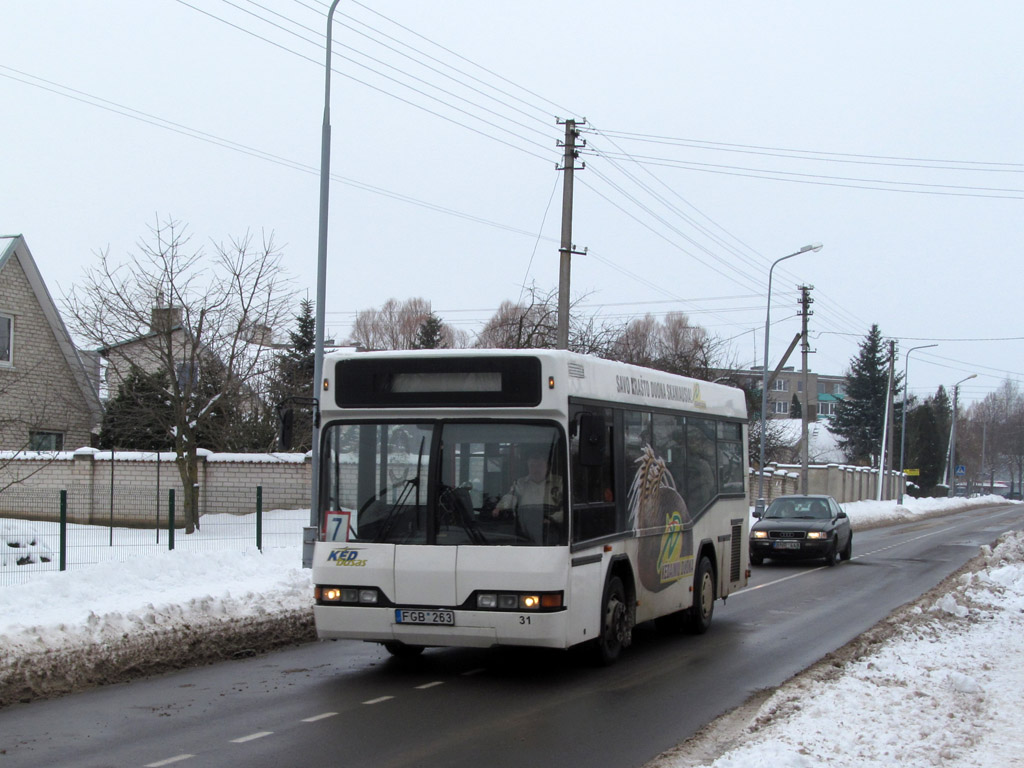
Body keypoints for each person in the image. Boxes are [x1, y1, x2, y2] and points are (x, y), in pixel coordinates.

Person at [495, 446, 564, 524]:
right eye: (532, 466)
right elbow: (511, 497)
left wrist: (552, 519)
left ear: (547, 467)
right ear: (528, 467)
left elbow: (566, 508)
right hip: (525, 525)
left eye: (539, 465)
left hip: (551, 526)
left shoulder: (559, 482)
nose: (536, 469)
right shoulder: (520, 483)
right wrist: (500, 507)